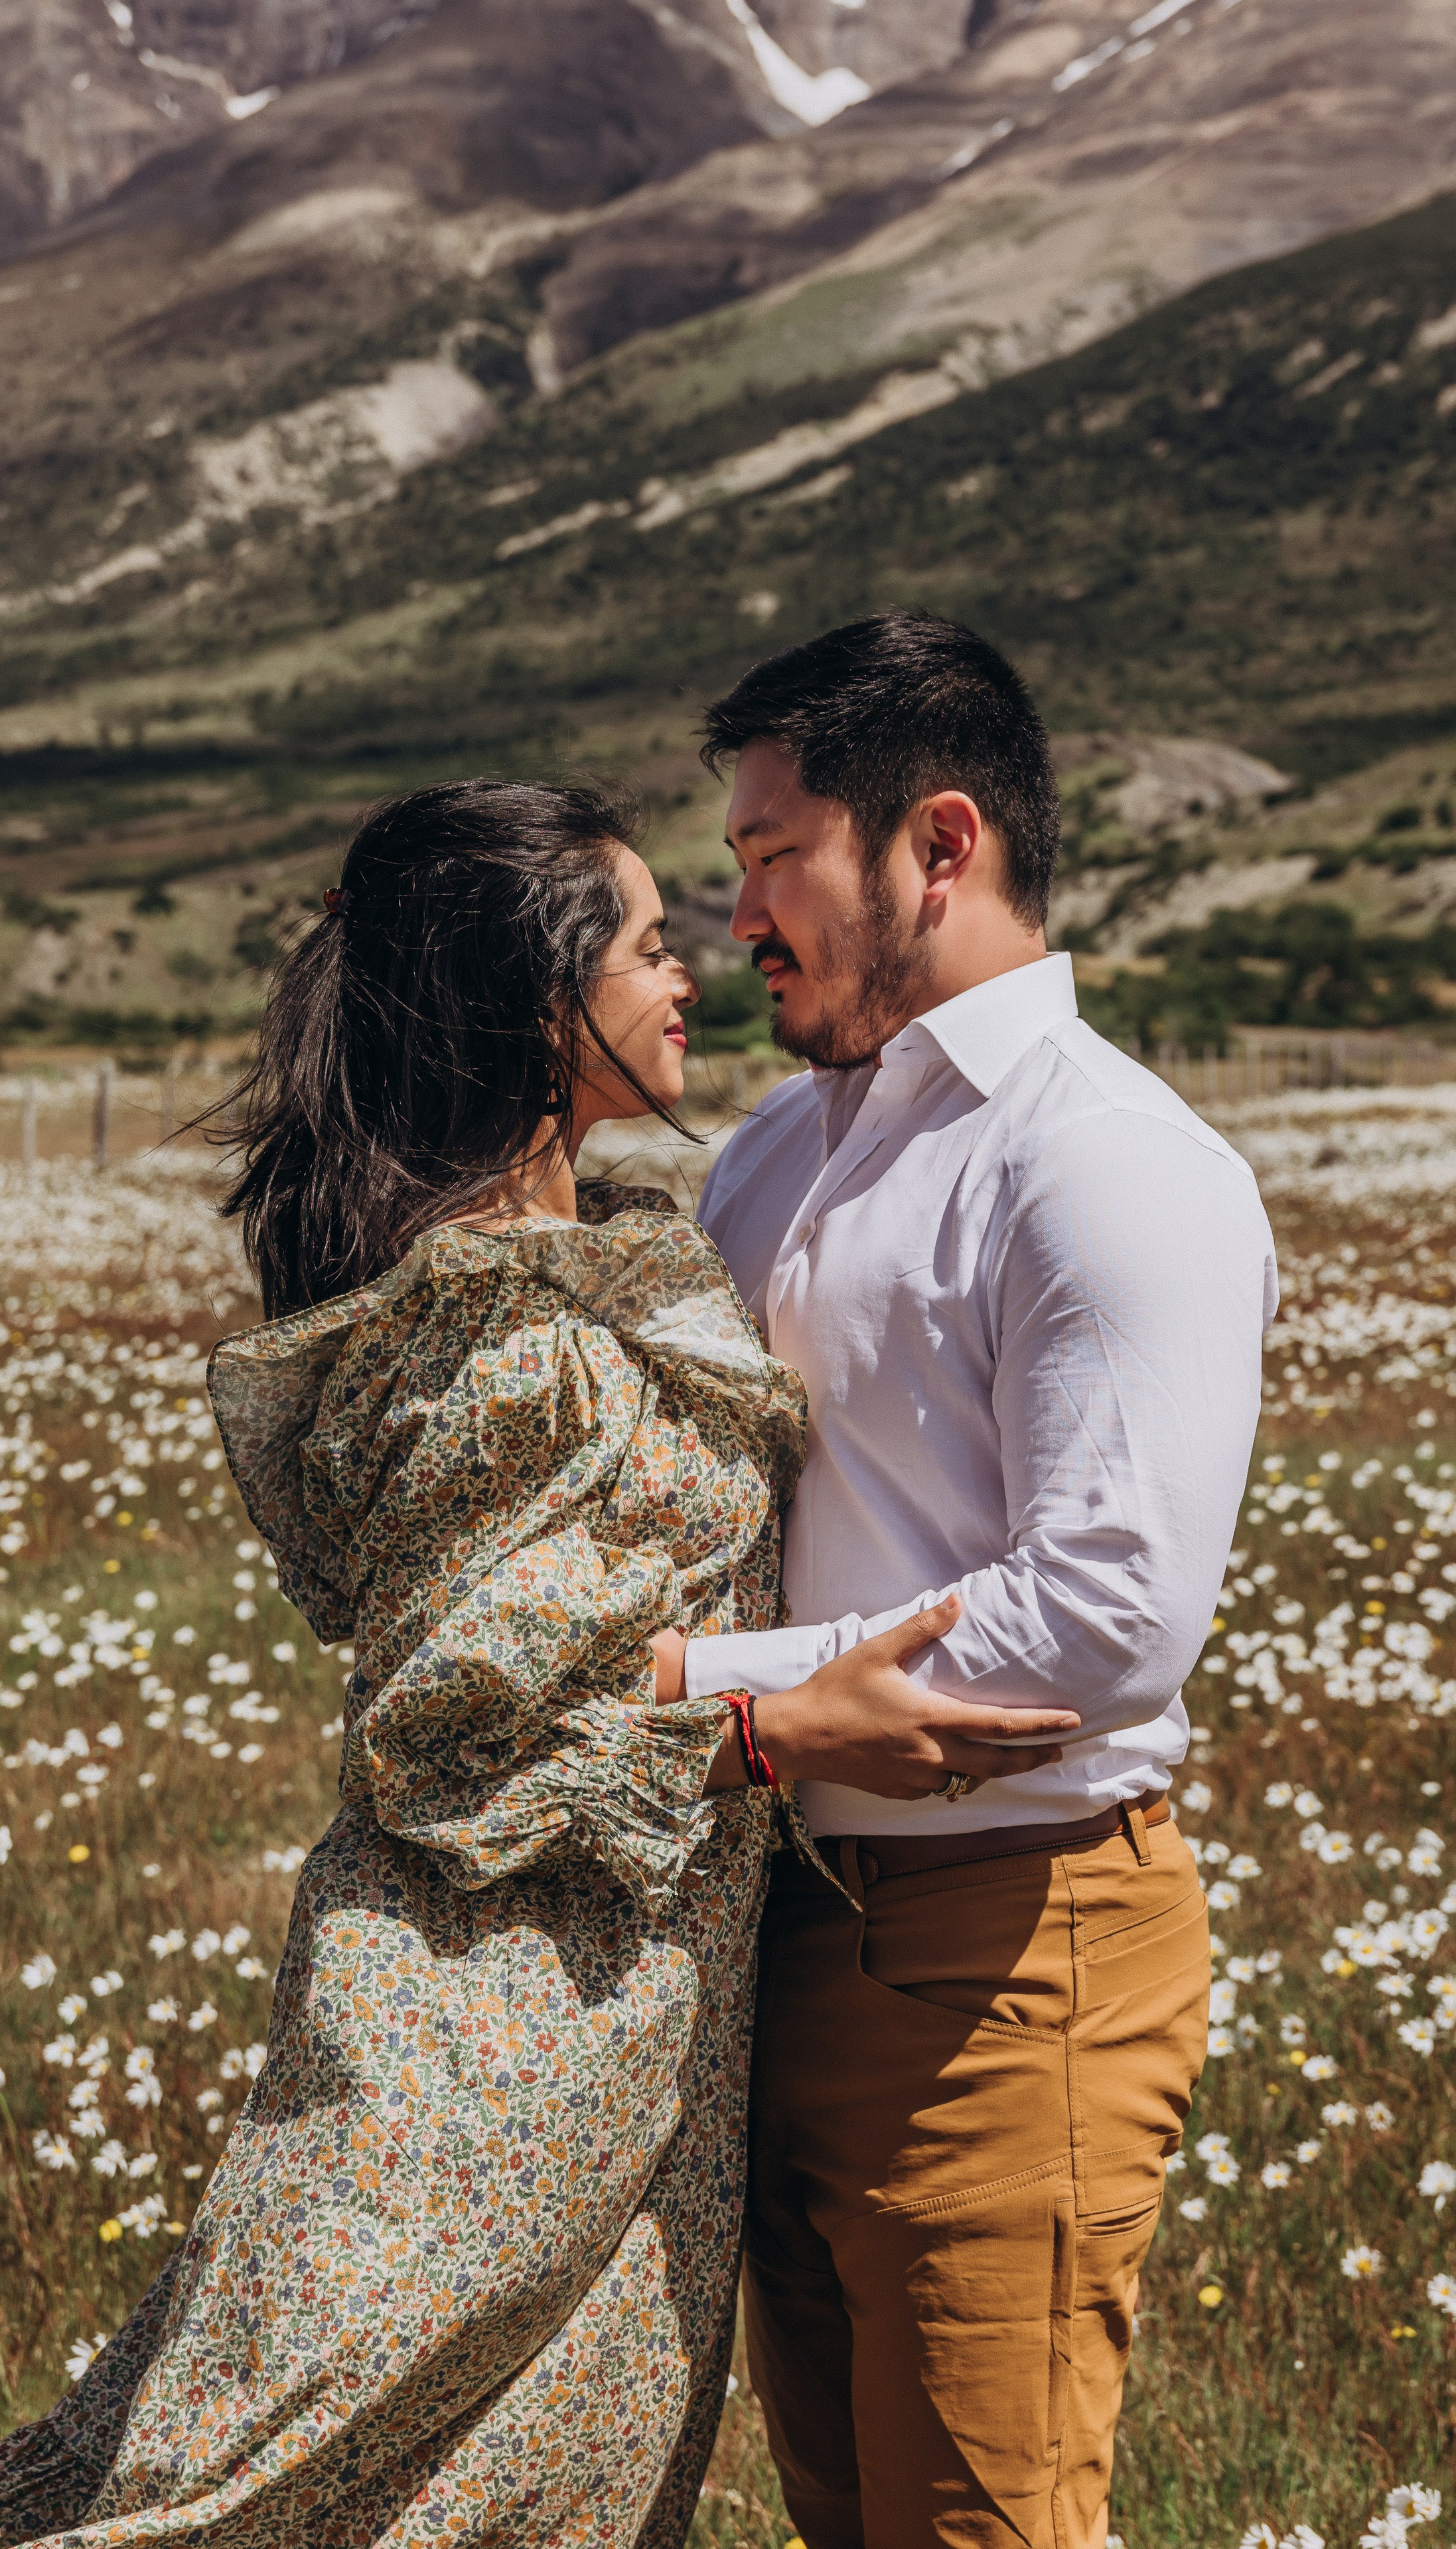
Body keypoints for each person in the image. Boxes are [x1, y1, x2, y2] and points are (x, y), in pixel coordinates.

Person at [0, 777, 1077, 2549]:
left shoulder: (615, 1260)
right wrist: (779, 1729)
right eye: (652, 945)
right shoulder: (489, 1339)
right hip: (476, 2047)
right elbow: (441, 1734)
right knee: (261, 2494)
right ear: (531, 1003)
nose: (695, 976)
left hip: (633, 2034)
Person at [659, 616, 1279, 2549]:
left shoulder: (1108, 1165)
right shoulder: (768, 1156)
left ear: (937, 845)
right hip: (769, 1936)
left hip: (1009, 1957)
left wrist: (706, 1695)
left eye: (777, 857)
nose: (736, 909)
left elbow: (1106, 1611)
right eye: (736, 860)